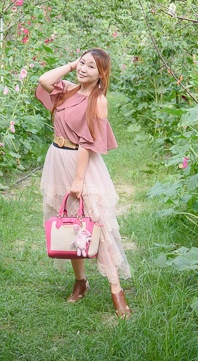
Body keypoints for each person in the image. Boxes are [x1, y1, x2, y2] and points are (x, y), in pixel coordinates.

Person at [35, 48, 133, 319]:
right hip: (56, 157)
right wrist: (69, 65)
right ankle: (80, 282)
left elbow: (88, 143)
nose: (83, 69)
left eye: (90, 66)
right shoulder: (66, 89)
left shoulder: (97, 100)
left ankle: (116, 290)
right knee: (67, 222)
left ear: (101, 73)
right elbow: (44, 81)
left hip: (81, 163)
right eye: (82, 63)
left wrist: (78, 180)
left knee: (96, 223)